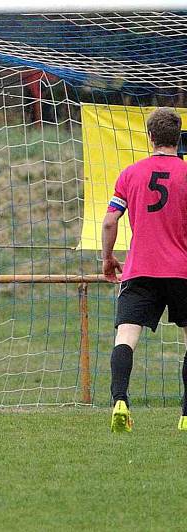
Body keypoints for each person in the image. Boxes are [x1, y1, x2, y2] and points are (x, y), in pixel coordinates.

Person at [102, 107, 187, 432]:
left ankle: (120, 400)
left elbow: (110, 221)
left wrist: (108, 258)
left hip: (140, 270)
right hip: (182, 271)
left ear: (150, 136)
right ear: (177, 138)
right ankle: (185, 416)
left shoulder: (130, 174)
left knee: (126, 337)